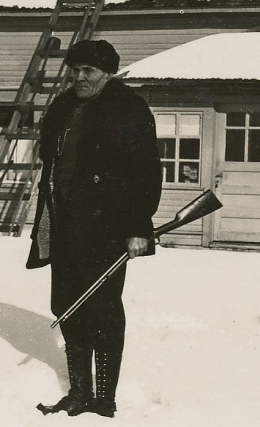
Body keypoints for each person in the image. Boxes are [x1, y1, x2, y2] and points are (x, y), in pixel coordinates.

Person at [34, 39, 162, 418]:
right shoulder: (63, 107)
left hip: (107, 227)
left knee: (103, 310)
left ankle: (103, 398)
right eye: (74, 70)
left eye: (88, 71)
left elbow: (147, 173)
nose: (78, 78)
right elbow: (51, 165)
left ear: (108, 72)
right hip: (64, 224)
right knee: (67, 306)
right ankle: (78, 392)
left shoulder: (129, 109)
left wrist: (139, 226)